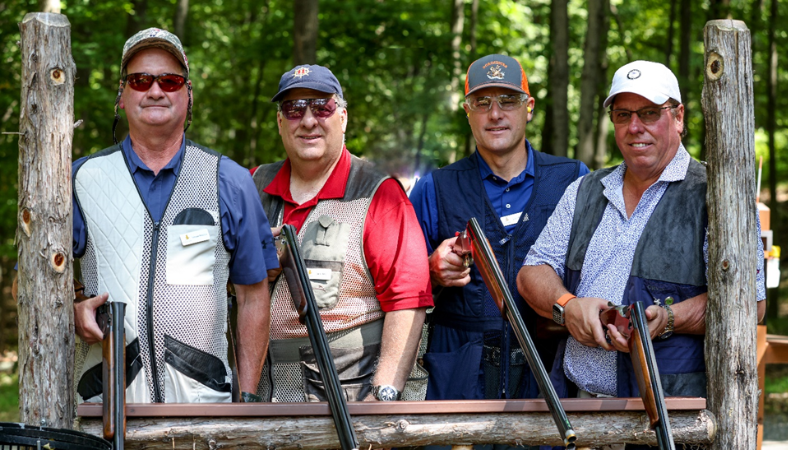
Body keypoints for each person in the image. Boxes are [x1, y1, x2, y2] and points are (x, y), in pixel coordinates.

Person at [518, 60, 766, 410]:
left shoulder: (718, 196)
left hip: (670, 415)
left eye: (649, 113)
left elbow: (750, 304)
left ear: (678, 117)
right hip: (577, 408)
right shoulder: (585, 190)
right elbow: (532, 272)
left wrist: (668, 318)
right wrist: (567, 306)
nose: (634, 127)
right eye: (623, 115)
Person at [70, 28, 278, 404]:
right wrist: (69, 309)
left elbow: (253, 296)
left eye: (169, 80)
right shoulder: (81, 178)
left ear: (188, 93)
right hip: (107, 406)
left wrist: (245, 401)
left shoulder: (228, 180)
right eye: (139, 80)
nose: (155, 90)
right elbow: (31, 283)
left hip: (203, 407)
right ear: (121, 94)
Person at [408, 54, 589, 404]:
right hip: (457, 376)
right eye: (482, 102)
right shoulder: (434, 187)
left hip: (547, 374)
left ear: (529, 107)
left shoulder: (572, 179)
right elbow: (399, 285)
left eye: (508, 100)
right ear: (467, 110)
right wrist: (430, 270)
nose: (495, 114)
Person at [251, 65, 433, 402]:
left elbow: (408, 302)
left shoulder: (378, 193)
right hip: (260, 400)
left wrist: (382, 397)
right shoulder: (251, 186)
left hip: (349, 401)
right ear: (280, 123)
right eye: (293, 109)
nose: (308, 120)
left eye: (322, 107)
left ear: (343, 117)